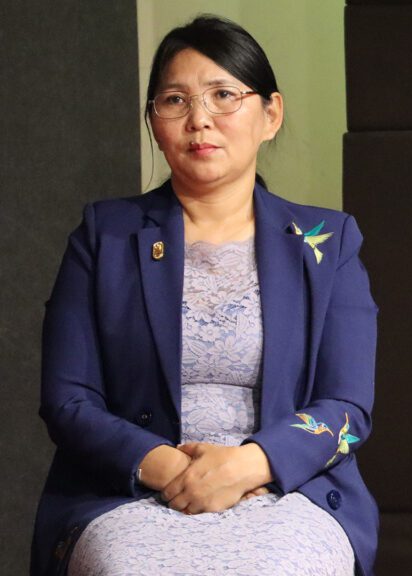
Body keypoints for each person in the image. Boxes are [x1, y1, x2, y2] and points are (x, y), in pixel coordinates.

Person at [31, 16, 378, 576]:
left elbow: (348, 408)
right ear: (152, 119)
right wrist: (165, 467)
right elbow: (68, 401)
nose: (200, 120)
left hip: (287, 490)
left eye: (223, 95)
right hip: (130, 491)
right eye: (175, 100)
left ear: (271, 114)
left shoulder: (326, 243)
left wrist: (248, 466)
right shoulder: (105, 236)